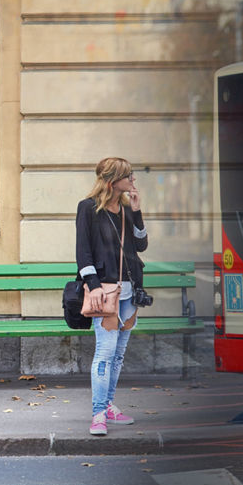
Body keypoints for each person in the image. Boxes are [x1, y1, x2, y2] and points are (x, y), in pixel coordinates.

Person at [75, 157, 147, 436]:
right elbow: (83, 252)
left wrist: (138, 212)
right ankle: (97, 414)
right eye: (128, 175)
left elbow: (141, 245)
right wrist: (92, 285)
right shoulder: (88, 209)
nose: (133, 180)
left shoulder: (127, 209)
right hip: (104, 292)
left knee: (118, 356)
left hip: (129, 293)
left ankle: (107, 406)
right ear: (111, 181)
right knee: (104, 354)